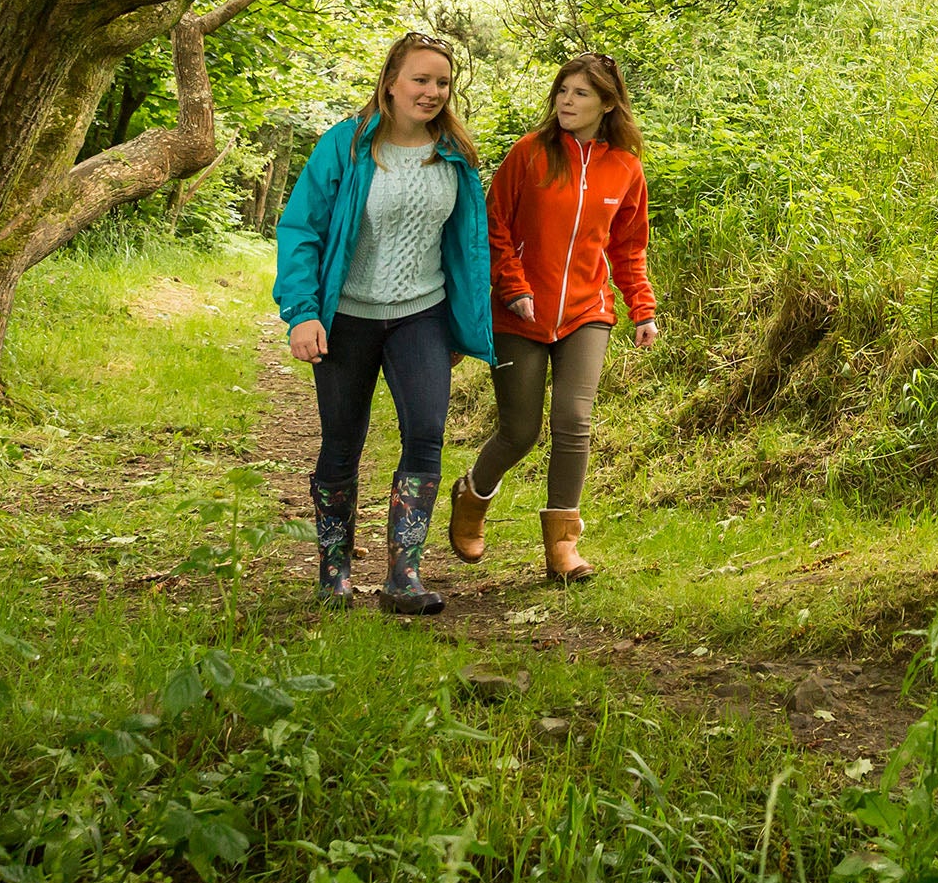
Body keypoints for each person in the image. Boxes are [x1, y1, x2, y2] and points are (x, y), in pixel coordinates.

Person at [272, 34, 495, 613]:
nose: (432, 92)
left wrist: (462, 322)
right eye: (420, 79)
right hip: (347, 317)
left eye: (442, 82)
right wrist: (301, 313)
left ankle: (405, 575)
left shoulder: (454, 153)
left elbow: (466, 245)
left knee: (426, 433)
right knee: (342, 442)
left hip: (422, 314)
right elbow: (302, 230)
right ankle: (334, 569)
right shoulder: (345, 146)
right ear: (391, 81)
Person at [448, 53, 658, 585]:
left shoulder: (625, 169)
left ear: (608, 103)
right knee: (519, 432)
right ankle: (471, 496)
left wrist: (642, 307)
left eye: (581, 93)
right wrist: (513, 288)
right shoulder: (530, 153)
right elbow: (492, 225)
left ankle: (563, 546)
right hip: (519, 313)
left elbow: (629, 247)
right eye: (563, 91)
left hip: (587, 312)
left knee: (574, 423)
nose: (567, 101)